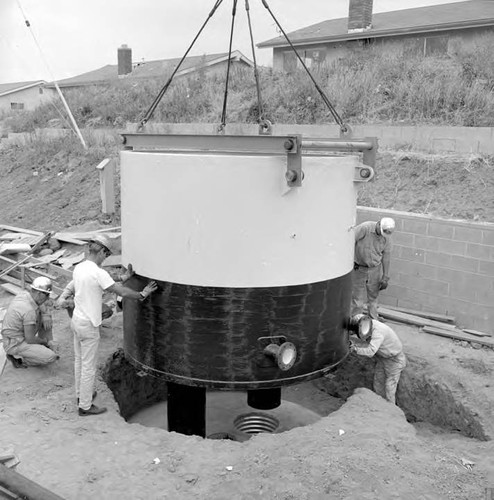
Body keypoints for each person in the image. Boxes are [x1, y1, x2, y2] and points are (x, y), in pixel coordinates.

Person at [57, 234, 157, 417]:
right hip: (88, 326)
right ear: (102, 251)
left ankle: (81, 395)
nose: (106, 258)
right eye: (107, 254)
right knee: (88, 366)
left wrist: (123, 276)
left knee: (79, 361)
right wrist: (142, 294)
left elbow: (104, 280)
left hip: (77, 321)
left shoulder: (80, 267)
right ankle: (85, 406)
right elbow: (120, 291)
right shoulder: (98, 272)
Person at [348, 313, 406, 405]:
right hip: (382, 359)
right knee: (378, 383)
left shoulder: (378, 331)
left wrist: (355, 349)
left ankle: (392, 410)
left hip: (394, 360)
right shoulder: (367, 324)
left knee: (390, 386)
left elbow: (371, 351)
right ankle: (379, 406)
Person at [1, 277, 59, 368]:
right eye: (47, 295)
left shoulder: (24, 295)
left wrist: (45, 314)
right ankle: (18, 358)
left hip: (17, 335)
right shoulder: (29, 311)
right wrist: (45, 343)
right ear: (39, 294)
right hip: (15, 343)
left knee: (45, 317)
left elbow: (42, 305)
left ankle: (43, 346)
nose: (48, 298)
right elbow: (30, 339)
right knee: (51, 357)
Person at [352, 217, 395, 320]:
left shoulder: (387, 237)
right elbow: (349, 241)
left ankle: (373, 320)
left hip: (374, 269)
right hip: (359, 268)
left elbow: (386, 257)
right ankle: (356, 321)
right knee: (357, 299)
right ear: (379, 224)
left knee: (373, 297)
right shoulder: (365, 228)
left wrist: (385, 277)